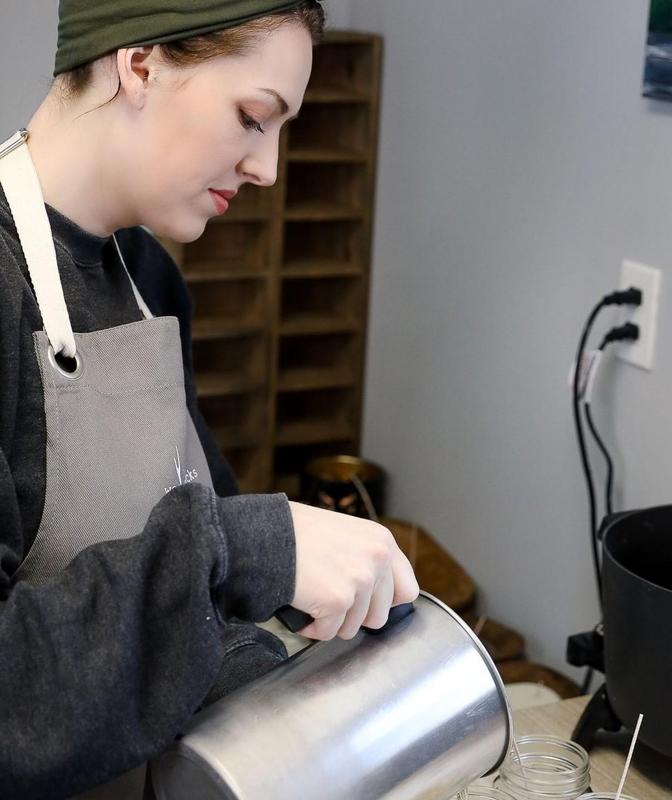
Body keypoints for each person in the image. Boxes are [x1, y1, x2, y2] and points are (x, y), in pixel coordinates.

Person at [0, 1, 419, 797]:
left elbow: (205, 585)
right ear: (142, 64)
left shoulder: (148, 279)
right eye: (254, 117)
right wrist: (253, 546)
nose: (268, 168)